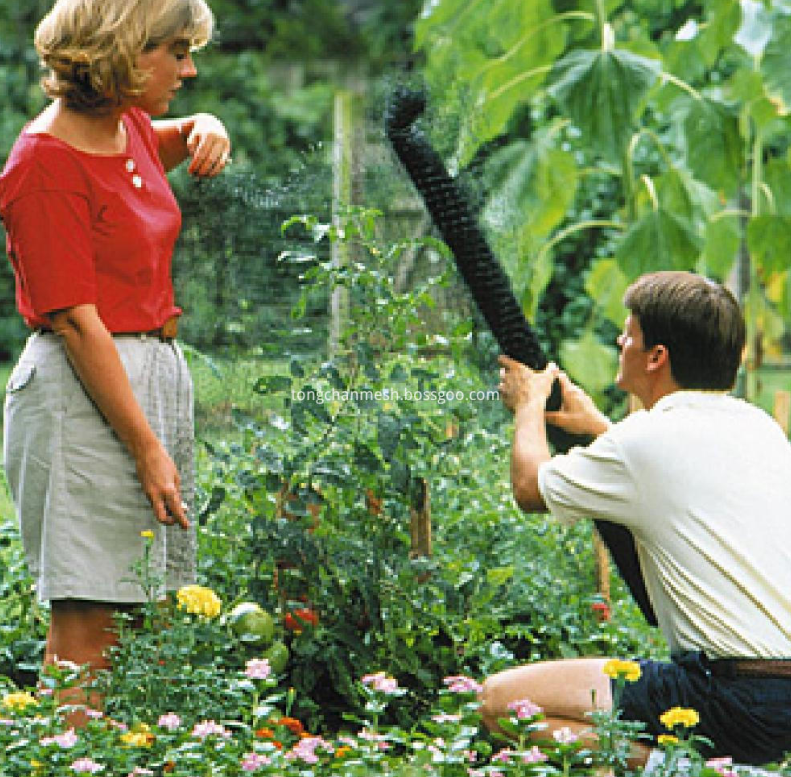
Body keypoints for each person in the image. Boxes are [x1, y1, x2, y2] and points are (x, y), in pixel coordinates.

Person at [0, 0, 231, 720]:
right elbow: (75, 320)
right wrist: (145, 446)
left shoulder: (123, 126)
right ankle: (68, 761)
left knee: (140, 612)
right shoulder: (44, 162)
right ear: (124, 52)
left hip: (144, 379)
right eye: (176, 51)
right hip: (84, 397)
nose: (189, 70)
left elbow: (176, 138)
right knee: (89, 621)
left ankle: (108, 755)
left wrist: (206, 127)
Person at [482, 271, 791, 766]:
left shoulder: (643, 442)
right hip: (780, 698)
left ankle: (682, 771)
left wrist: (528, 402)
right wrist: (599, 429)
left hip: (728, 696)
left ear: (656, 357)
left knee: (503, 705)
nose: (620, 341)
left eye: (629, 333)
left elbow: (528, 486)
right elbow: (672, 477)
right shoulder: (761, 428)